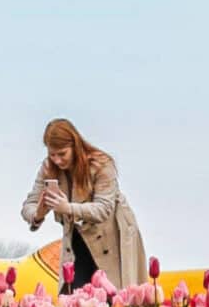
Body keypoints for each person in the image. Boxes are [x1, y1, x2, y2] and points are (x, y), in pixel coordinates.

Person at [23, 118, 150, 288]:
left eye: (62, 154)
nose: (58, 160)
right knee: (72, 299)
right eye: (52, 155)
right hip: (76, 238)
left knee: (112, 298)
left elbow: (103, 209)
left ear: (75, 145)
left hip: (110, 237)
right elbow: (28, 205)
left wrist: (67, 208)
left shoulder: (101, 164)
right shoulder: (48, 168)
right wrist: (38, 213)